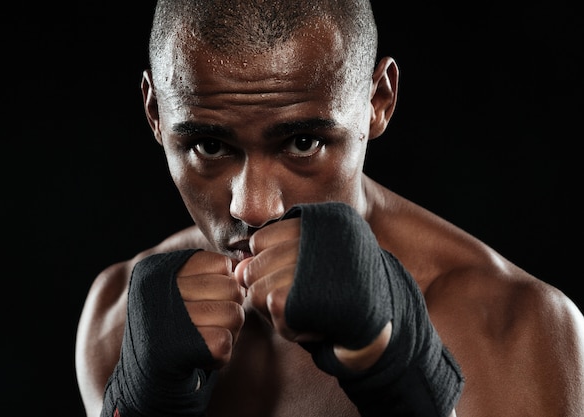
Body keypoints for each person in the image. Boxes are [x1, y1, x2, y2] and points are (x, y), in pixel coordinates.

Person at [75, 1, 584, 416]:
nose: (252, 207)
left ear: (377, 101)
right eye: (209, 146)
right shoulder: (118, 317)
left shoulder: (512, 325)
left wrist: (398, 376)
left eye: (302, 142)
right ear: (155, 114)